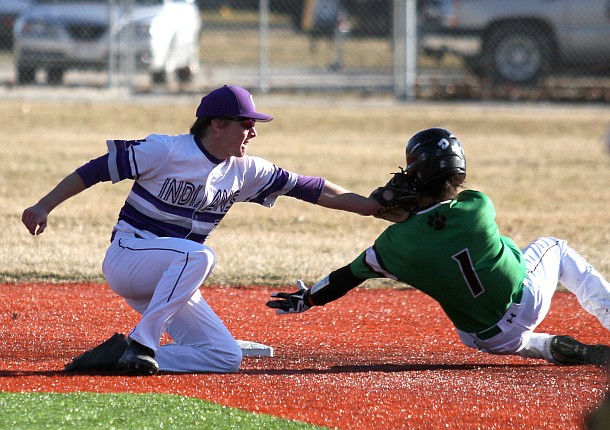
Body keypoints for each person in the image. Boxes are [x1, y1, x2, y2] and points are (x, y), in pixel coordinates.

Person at [21, 85, 381, 375]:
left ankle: (122, 357)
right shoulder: (165, 150)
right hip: (130, 258)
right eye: (245, 123)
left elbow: (311, 187)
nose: (253, 131)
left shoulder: (245, 170)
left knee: (224, 356)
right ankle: (142, 341)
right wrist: (44, 205)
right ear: (217, 124)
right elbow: (96, 169)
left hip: (173, 276)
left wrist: (370, 207)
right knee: (201, 254)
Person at [267, 127, 610, 365]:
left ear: (417, 179)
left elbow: (344, 277)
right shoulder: (478, 205)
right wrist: (414, 200)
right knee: (554, 247)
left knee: (499, 328)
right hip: (525, 302)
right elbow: (442, 213)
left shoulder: (392, 246)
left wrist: (308, 297)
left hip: (480, 339)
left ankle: (548, 346)